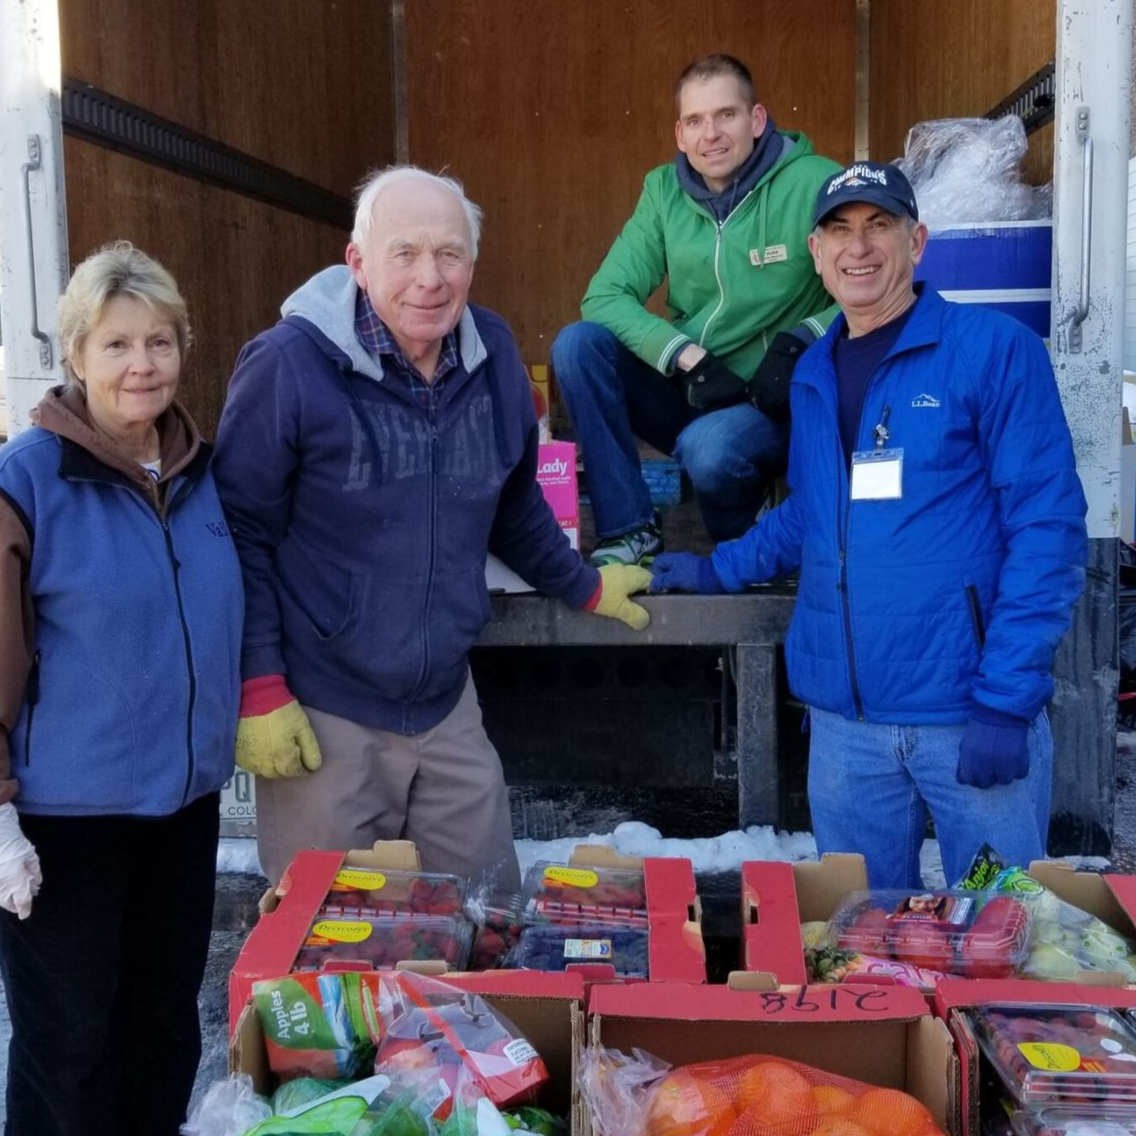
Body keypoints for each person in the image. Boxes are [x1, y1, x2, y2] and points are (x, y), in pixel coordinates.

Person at [650, 161, 1089, 890]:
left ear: (917, 242)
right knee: (864, 949)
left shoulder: (993, 350)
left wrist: (1007, 700)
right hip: (846, 730)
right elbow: (816, 510)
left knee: (1000, 941)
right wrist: (718, 568)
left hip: (965, 712)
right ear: (816, 255)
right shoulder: (816, 370)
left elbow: (1048, 529)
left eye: (879, 225)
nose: (859, 247)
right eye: (838, 231)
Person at [212, 166, 651, 892]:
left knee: (487, 927)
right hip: (325, 708)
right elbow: (238, 534)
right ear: (357, 262)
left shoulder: (491, 355)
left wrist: (583, 584)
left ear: (472, 265)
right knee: (328, 955)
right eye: (405, 253)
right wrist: (259, 687)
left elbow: (511, 502)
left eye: (449, 254)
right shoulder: (288, 366)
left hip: (446, 703)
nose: (430, 278)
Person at [0, 243, 243, 1135]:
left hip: (180, 808)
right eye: (115, 345)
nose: (142, 365)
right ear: (75, 356)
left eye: (160, 342)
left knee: (161, 1029)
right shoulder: (27, 477)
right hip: (67, 823)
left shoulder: (198, 472)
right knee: (67, 1047)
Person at [550, 53, 840, 565]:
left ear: (756, 120)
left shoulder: (816, 182)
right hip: (699, 387)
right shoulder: (662, 192)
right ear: (680, 135)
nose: (712, 134)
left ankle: (748, 545)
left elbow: (873, 285)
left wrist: (804, 340)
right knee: (578, 345)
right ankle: (629, 531)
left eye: (726, 115)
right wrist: (686, 356)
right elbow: (604, 296)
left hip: (776, 398)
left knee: (710, 451)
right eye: (695, 121)